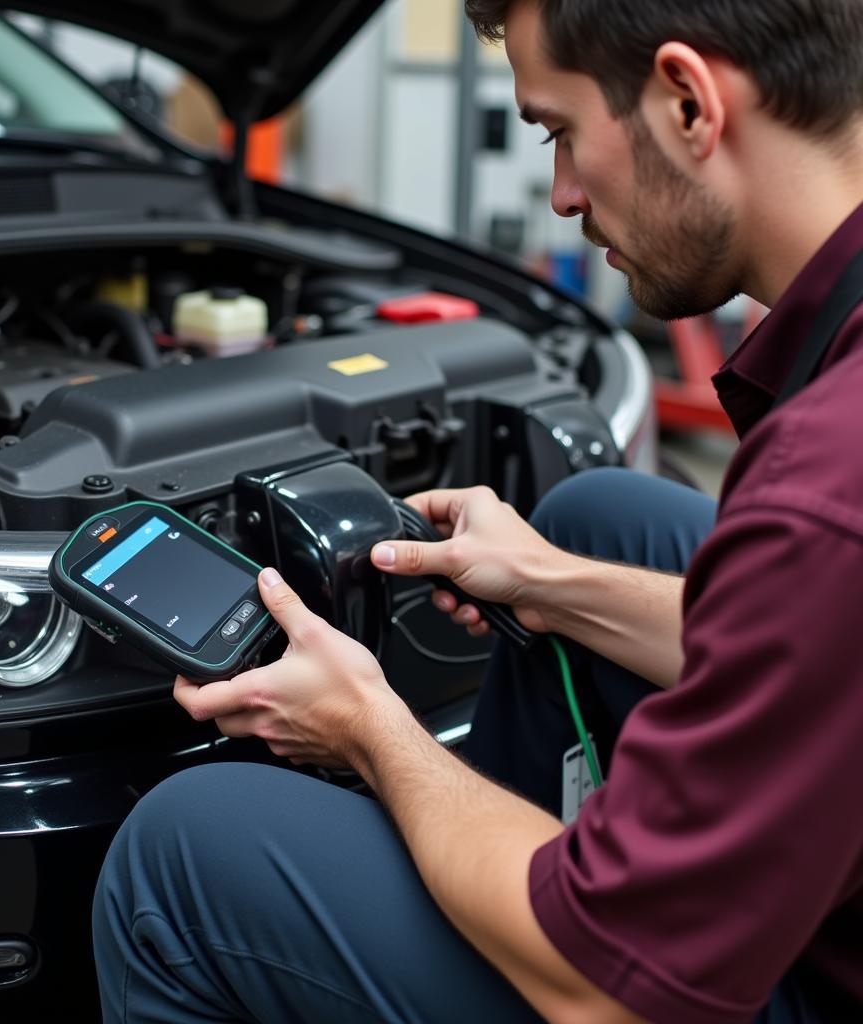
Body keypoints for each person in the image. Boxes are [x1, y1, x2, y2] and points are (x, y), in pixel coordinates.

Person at [92, 1, 863, 1020]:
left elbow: (611, 990)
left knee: (180, 850)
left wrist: (371, 728)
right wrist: (548, 580)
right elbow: (814, 645)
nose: (560, 196)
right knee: (597, 521)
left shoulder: (825, 486)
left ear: (687, 102)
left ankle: (508, 916)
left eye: (558, 133)